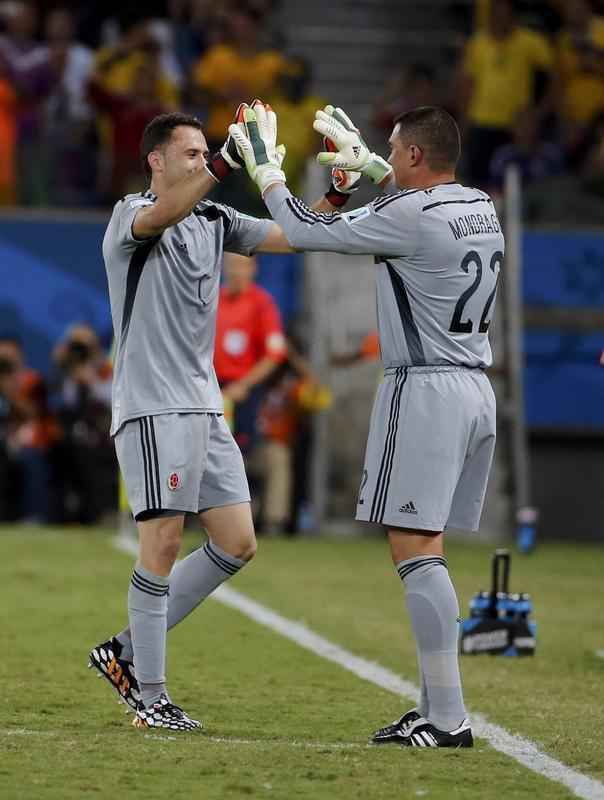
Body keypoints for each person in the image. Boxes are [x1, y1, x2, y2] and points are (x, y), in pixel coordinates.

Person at [230, 101, 504, 747]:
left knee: (414, 547)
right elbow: (419, 218)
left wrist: (266, 166)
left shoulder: (405, 212)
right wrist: (381, 169)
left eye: (390, 145)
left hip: (427, 388)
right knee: (423, 544)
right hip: (472, 384)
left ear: (413, 155)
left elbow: (299, 229)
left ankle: (447, 717)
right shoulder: (479, 203)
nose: (377, 149)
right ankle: (437, 707)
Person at [88, 105, 320, 732]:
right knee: (161, 544)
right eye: (189, 154)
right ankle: (151, 696)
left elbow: (296, 234)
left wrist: (340, 191)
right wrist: (223, 160)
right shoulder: (129, 217)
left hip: (205, 406)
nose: (201, 162)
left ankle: (125, 653)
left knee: (237, 542)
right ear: (155, 162)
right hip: (153, 405)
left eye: (205, 153)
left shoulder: (216, 219)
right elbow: (164, 213)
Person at [215, 251, 287, 456]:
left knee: (238, 453)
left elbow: (275, 354)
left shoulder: (262, 304)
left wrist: (243, 385)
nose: (236, 272)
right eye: (232, 265)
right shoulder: (212, 299)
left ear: (253, 268)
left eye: (242, 265)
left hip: (244, 392)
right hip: (210, 389)